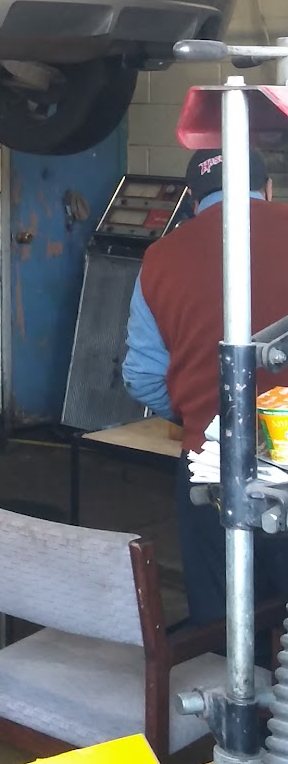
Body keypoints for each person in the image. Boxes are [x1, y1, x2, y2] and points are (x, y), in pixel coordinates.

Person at [122, 145, 288, 625]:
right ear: (268, 189)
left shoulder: (160, 257)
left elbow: (142, 376)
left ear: (194, 201)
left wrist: (196, 416)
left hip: (210, 466)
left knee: (222, 625)